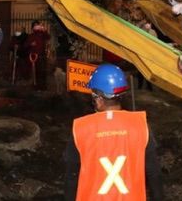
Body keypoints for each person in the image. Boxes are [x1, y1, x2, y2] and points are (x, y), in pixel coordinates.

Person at [63, 64, 164, 201]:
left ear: (98, 99)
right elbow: (154, 172)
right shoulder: (140, 125)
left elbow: (71, 177)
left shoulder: (80, 128)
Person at [26, 21, 50, 89]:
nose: (36, 27)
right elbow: (25, 45)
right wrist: (31, 44)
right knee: (35, 72)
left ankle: (43, 86)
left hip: (42, 56)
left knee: (42, 71)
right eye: (35, 26)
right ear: (32, 28)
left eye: (37, 25)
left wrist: (44, 30)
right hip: (34, 57)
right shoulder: (31, 36)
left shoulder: (42, 34)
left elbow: (48, 37)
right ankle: (35, 85)